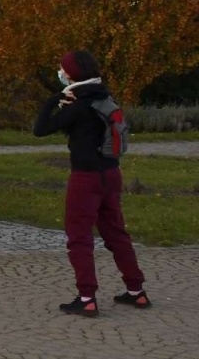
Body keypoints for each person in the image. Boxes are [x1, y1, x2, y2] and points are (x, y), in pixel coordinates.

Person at [34, 51, 149, 317]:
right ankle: (136, 291)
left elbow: (40, 129)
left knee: (79, 237)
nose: (60, 72)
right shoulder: (105, 97)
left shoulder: (77, 105)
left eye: (62, 69)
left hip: (85, 177)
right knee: (117, 233)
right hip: (111, 173)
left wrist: (52, 100)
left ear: (71, 74)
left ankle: (86, 297)